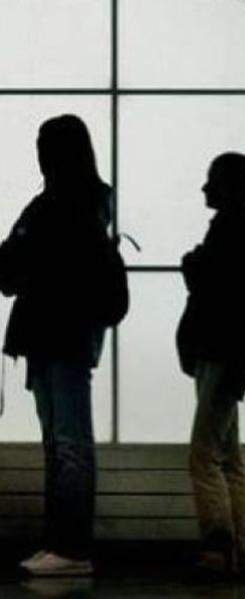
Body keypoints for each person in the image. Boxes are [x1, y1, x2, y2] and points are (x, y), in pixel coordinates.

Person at [0, 115, 114, 577]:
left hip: (54, 334)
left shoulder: (55, 207)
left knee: (66, 443)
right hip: (67, 336)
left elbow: (12, 265)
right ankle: (62, 545)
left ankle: (70, 547)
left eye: (44, 146)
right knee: (63, 442)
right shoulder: (89, 205)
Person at [180, 152, 245, 579]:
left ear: (227, 187)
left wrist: (192, 265)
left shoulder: (232, 230)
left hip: (223, 353)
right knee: (228, 458)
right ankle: (240, 555)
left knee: (204, 456)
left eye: (211, 181)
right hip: (236, 355)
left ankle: (218, 548)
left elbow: (215, 290)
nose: (204, 188)